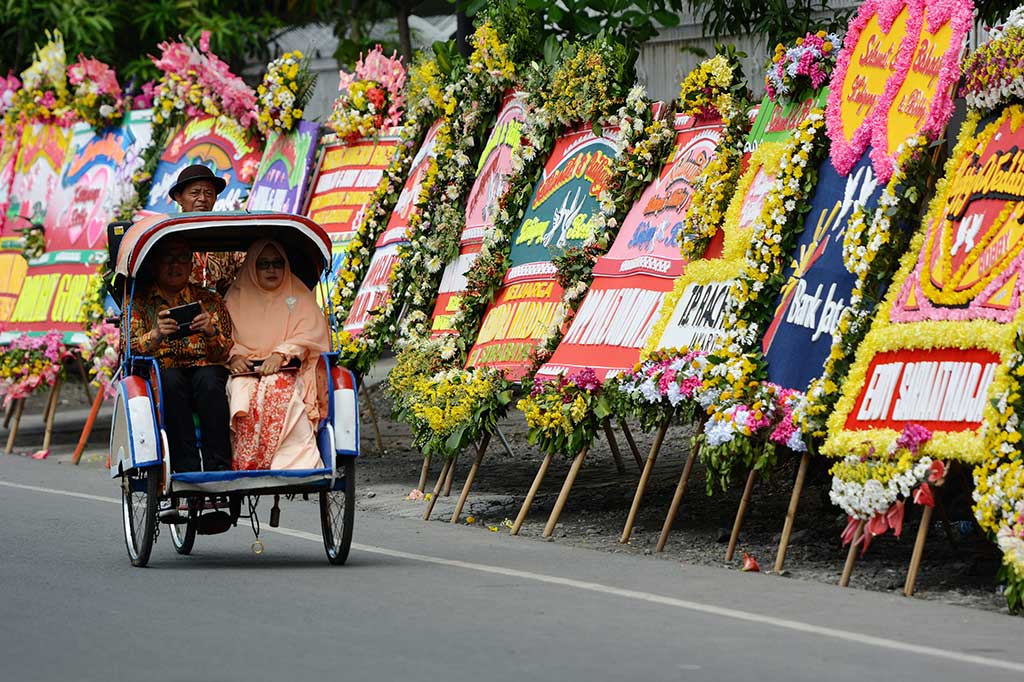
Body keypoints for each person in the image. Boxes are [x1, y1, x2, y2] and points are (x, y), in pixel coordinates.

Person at [129, 236, 234, 473]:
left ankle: (218, 466)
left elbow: (224, 352)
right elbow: (128, 349)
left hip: (205, 367)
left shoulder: (210, 300)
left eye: (181, 259)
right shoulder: (139, 302)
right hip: (163, 371)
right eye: (167, 259)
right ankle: (186, 468)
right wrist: (156, 335)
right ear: (155, 264)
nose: (174, 265)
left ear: (190, 264)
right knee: (170, 381)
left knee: (210, 380)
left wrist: (210, 331)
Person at [224, 239, 330, 470]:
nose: (271, 269)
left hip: (290, 369)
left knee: (279, 387)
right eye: (264, 264)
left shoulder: (298, 295)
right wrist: (235, 357)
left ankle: (295, 464)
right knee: (242, 393)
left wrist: (281, 354)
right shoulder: (234, 298)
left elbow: (310, 332)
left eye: (277, 263)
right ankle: (249, 463)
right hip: (244, 371)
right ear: (252, 267)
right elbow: (224, 338)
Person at [168, 163, 243, 294]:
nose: (202, 199)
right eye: (195, 193)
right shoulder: (167, 235)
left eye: (208, 193)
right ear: (179, 197)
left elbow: (249, 268)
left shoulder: (227, 236)